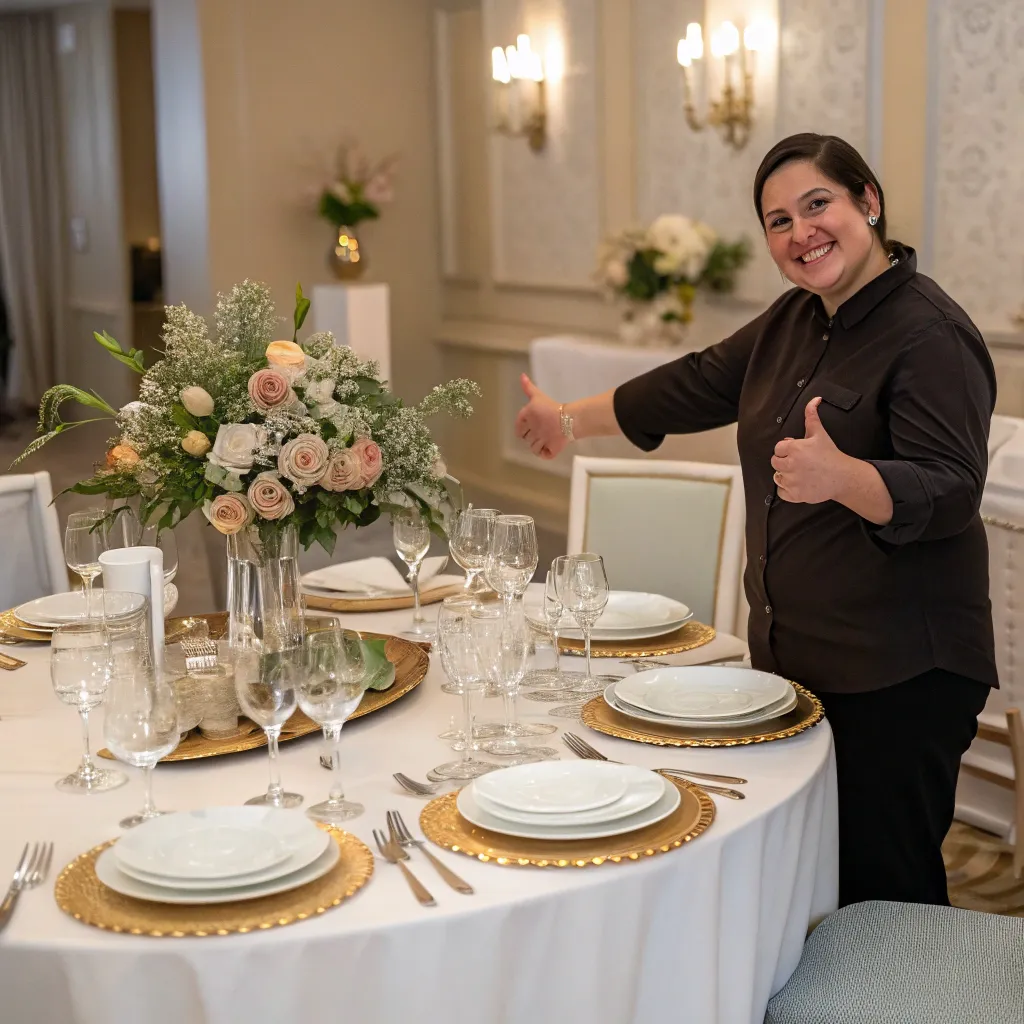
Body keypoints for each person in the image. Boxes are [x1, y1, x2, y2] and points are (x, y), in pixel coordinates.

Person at [515, 133, 997, 908]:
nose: (801, 233)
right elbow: (695, 383)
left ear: (867, 202)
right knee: (813, 879)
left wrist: (845, 477)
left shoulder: (929, 332)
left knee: (883, 888)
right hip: (804, 659)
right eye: (779, 221)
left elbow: (949, 491)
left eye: (818, 205)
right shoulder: (798, 319)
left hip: (900, 671)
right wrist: (566, 417)